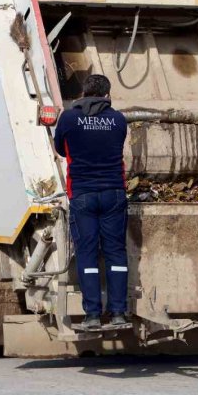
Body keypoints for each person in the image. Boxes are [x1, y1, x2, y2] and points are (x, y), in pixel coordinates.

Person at [53, 74, 129, 332]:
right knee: (115, 253)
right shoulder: (118, 119)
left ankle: (93, 316)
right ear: (107, 95)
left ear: (83, 93)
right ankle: (118, 313)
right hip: (114, 194)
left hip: (83, 194)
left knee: (87, 253)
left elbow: (61, 149)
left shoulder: (69, 118)